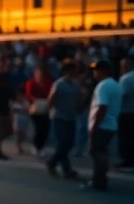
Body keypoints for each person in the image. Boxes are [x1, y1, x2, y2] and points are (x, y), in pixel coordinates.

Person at [83, 60, 122, 192]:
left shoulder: (103, 86)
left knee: (96, 152)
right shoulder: (116, 85)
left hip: (102, 125)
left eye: (96, 70)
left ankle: (98, 181)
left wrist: (94, 126)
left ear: (103, 71)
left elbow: (102, 107)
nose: (94, 73)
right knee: (102, 152)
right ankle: (101, 179)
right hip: (112, 124)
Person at [46, 60, 80, 179]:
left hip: (71, 117)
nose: (75, 71)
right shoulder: (59, 84)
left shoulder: (76, 84)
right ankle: (62, 167)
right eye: (73, 69)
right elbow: (51, 99)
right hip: (59, 117)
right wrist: (51, 111)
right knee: (63, 143)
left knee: (69, 144)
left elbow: (78, 99)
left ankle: (57, 164)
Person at [25, 64, 52, 156]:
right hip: (35, 108)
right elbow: (29, 95)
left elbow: (51, 93)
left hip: (45, 108)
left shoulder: (48, 83)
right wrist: (35, 100)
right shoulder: (31, 82)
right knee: (38, 128)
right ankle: (35, 146)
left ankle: (41, 146)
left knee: (45, 128)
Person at [119, 57, 134, 172]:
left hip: (126, 111)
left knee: (126, 138)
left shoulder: (126, 79)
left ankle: (127, 161)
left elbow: (121, 95)